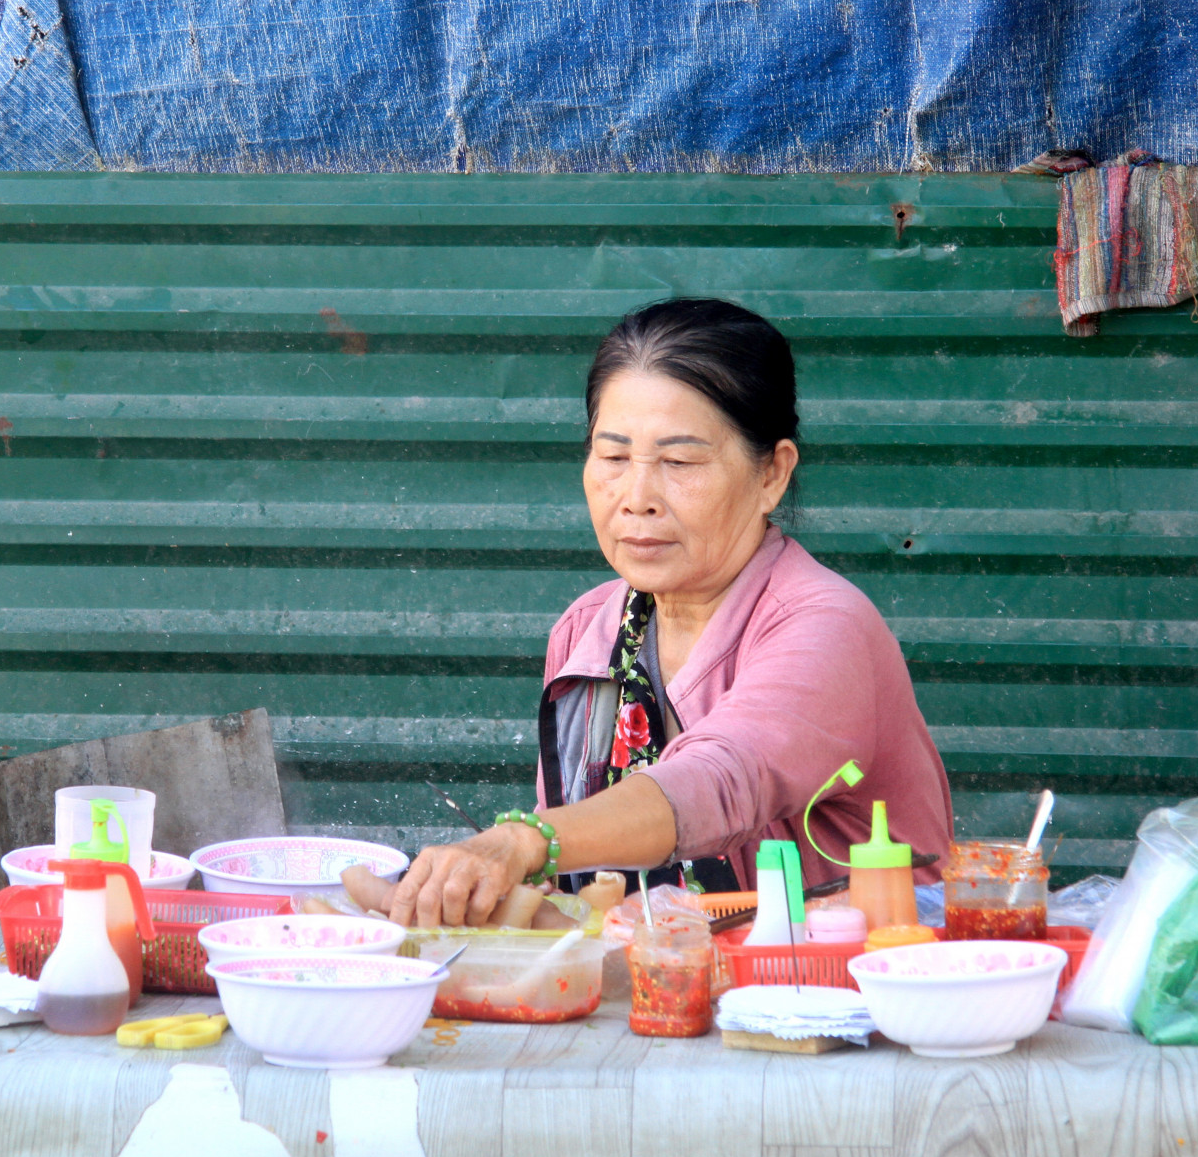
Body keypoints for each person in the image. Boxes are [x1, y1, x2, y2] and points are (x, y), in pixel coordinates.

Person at [388, 298, 954, 927]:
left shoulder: (824, 626)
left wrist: (524, 841)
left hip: (842, 994)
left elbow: (719, 780)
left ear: (773, 474)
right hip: (657, 998)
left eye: (679, 462)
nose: (637, 498)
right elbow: (583, 890)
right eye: (612, 457)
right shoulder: (587, 632)